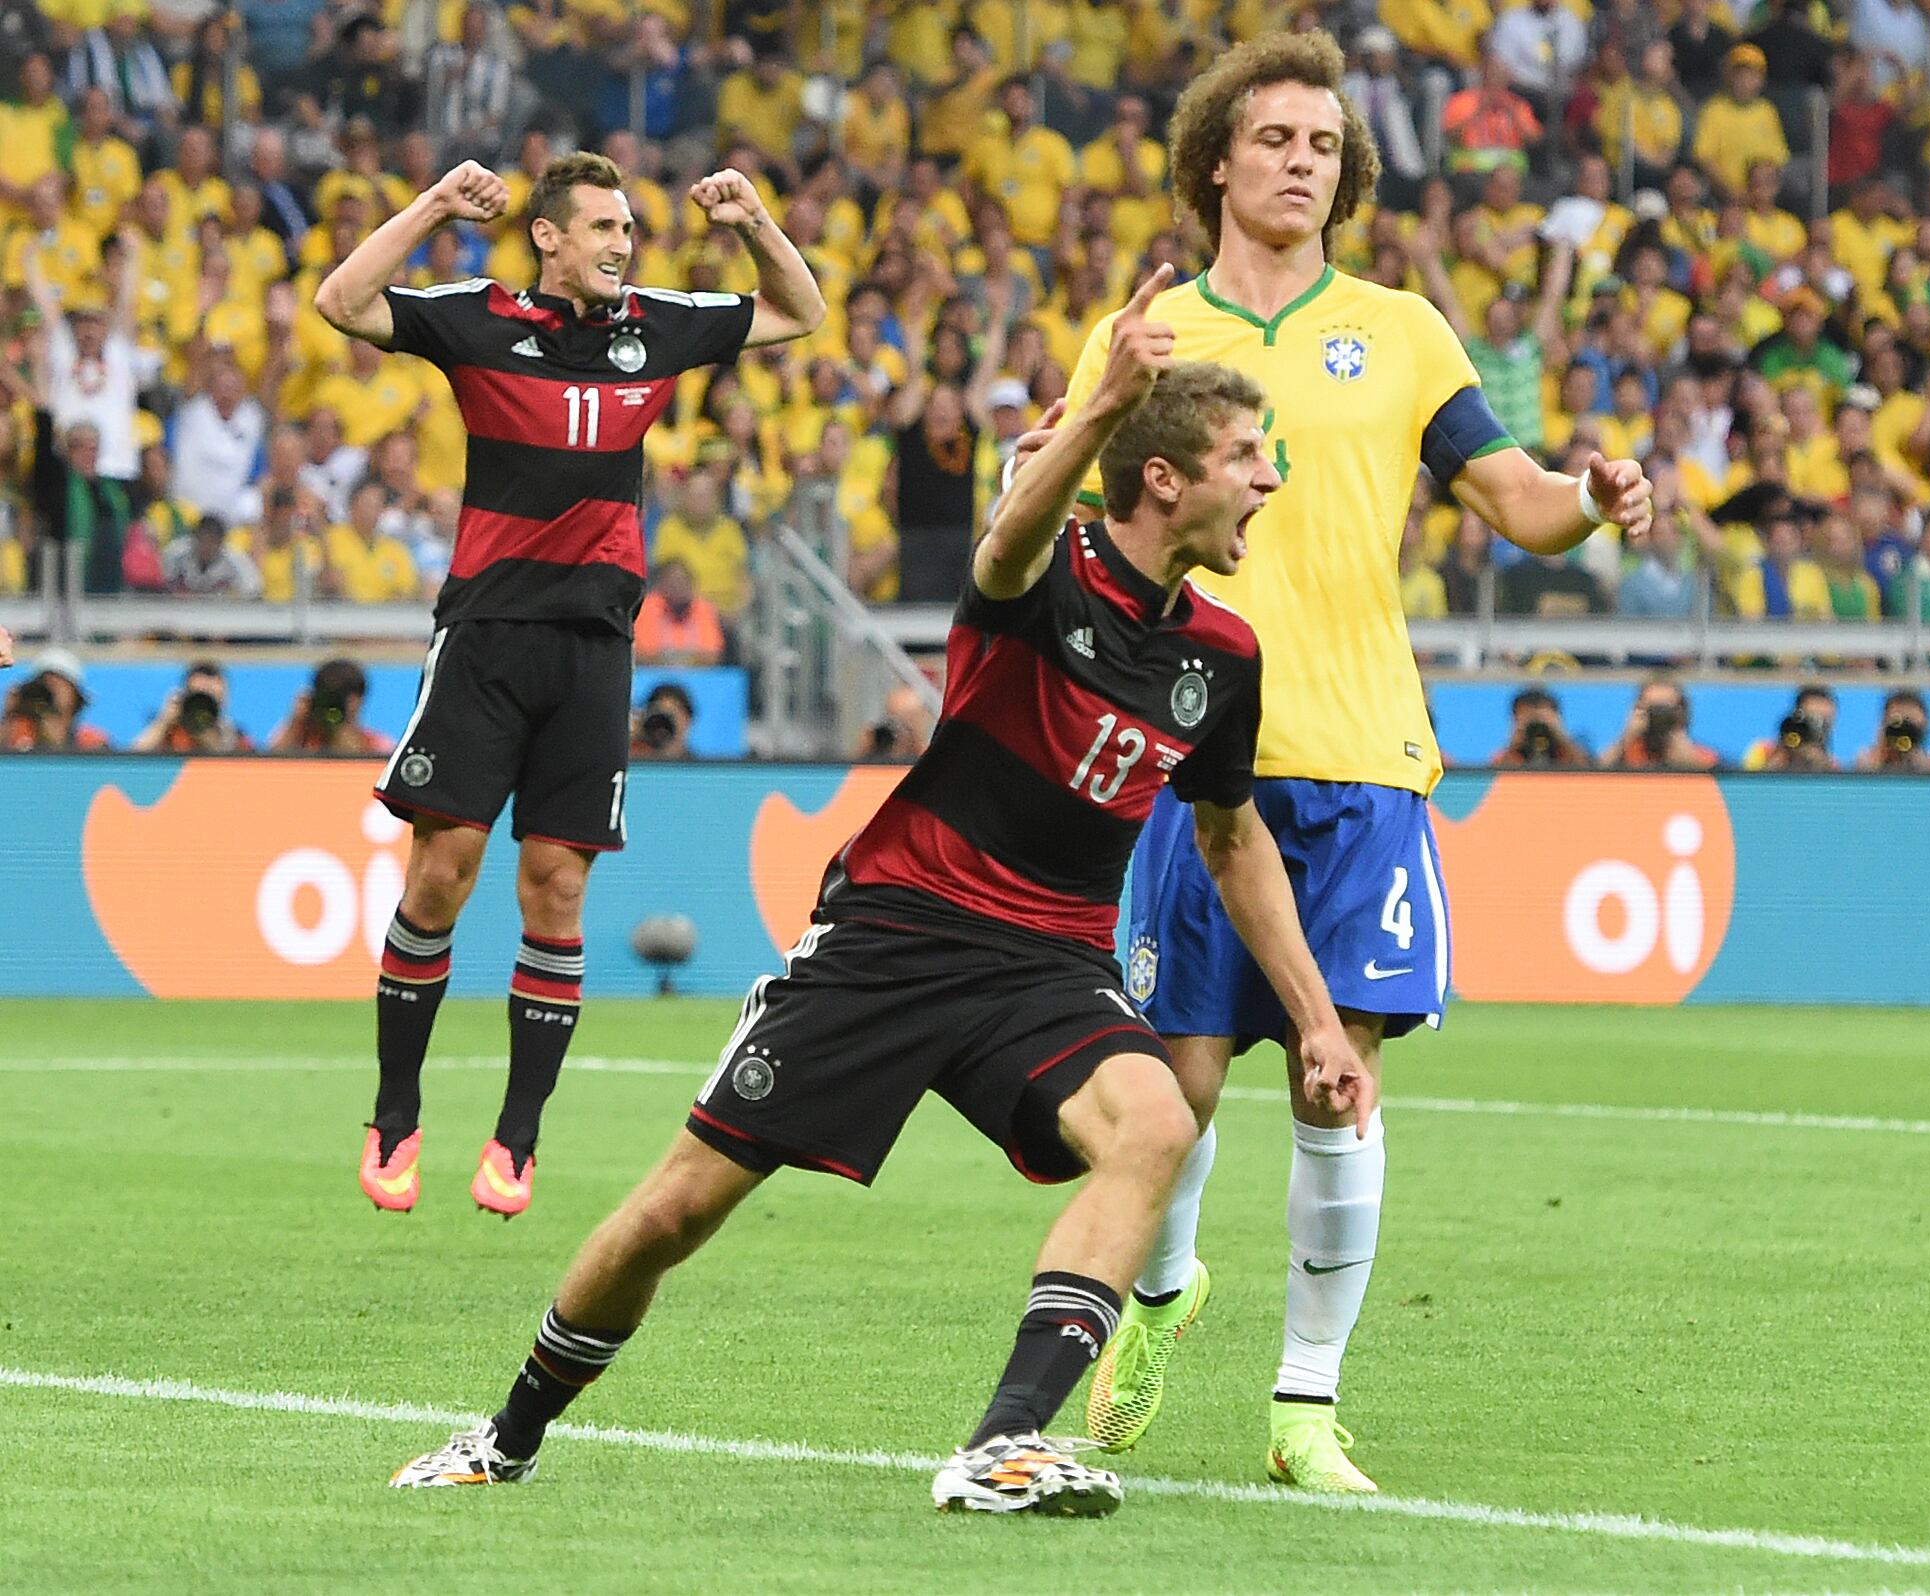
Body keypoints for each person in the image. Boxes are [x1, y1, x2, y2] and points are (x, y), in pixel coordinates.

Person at [387, 295, 1361, 1520]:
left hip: (1046, 961)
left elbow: (1232, 840)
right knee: (680, 1207)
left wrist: (1316, 1021)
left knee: (1155, 1123)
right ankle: (504, 1436)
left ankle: (1004, 1444)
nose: (1267, 482)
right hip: (894, 934)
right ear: (1161, 480)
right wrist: (1102, 403)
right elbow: (1007, 538)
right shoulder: (1040, 580)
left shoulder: (1222, 653)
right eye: (1245, 460)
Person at [1056, 30, 1652, 1493]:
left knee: (1342, 1083)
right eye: (1274, 140)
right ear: (1215, 161)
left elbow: (1511, 496)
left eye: (1324, 145)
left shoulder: (1400, 330)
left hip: (1360, 755)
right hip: (1186, 761)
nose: (1302, 162)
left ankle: (1305, 1412)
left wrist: (1591, 493)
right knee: (1170, 1090)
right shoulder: (1146, 333)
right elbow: (1060, 522)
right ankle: (1160, 1291)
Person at [315, 150, 825, 1218]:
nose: (620, 244)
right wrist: (436, 204)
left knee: (554, 888)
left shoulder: (659, 324)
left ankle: (516, 1141)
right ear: (547, 236)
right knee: (441, 876)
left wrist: (752, 219)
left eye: (628, 228)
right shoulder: (477, 319)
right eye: (600, 227)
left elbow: (799, 311)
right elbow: (341, 301)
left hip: (595, 648)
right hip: (487, 638)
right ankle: (395, 1114)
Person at [269, 658, 394, 755]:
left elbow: (358, 767)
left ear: (357, 701)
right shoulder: (298, 737)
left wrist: (341, 725)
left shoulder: (377, 745)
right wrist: (295, 721)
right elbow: (270, 763)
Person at [1600, 673, 1723, 769]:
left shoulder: (1702, 755)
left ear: (1682, 711)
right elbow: (1594, 772)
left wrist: (1677, 735)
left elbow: (1707, 782)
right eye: (1653, 708)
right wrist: (1627, 736)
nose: (1659, 715)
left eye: (1665, 709)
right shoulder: (1626, 754)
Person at [130, 659, 254, 754]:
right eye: (199, 696)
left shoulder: (235, 736)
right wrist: (164, 720)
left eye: (212, 697)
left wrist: (203, 732)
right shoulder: (169, 732)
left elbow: (239, 767)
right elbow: (132, 760)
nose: (204, 704)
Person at [2, 648, 109, 751]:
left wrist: (57, 733)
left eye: (59, 683)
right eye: (44, 682)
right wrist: (9, 715)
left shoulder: (92, 743)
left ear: (75, 696)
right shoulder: (17, 737)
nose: (50, 690)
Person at [629, 681, 694, 761]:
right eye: (658, 718)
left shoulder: (702, 768)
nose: (663, 726)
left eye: (672, 714)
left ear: (687, 720)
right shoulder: (635, 760)